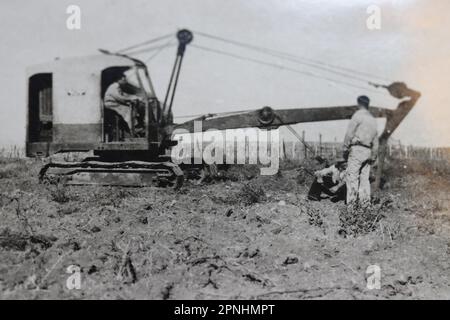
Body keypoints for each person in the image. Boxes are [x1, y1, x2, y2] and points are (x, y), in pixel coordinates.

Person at [343, 95, 378, 209]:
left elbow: (349, 133)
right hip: (368, 151)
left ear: (359, 104)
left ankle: (352, 209)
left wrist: (345, 148)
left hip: (357, 149)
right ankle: (365, 207)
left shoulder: (357, 116)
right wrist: (374, 154)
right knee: (364, 180)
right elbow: (376, 140)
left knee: (352, 178)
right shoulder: (372, 119)